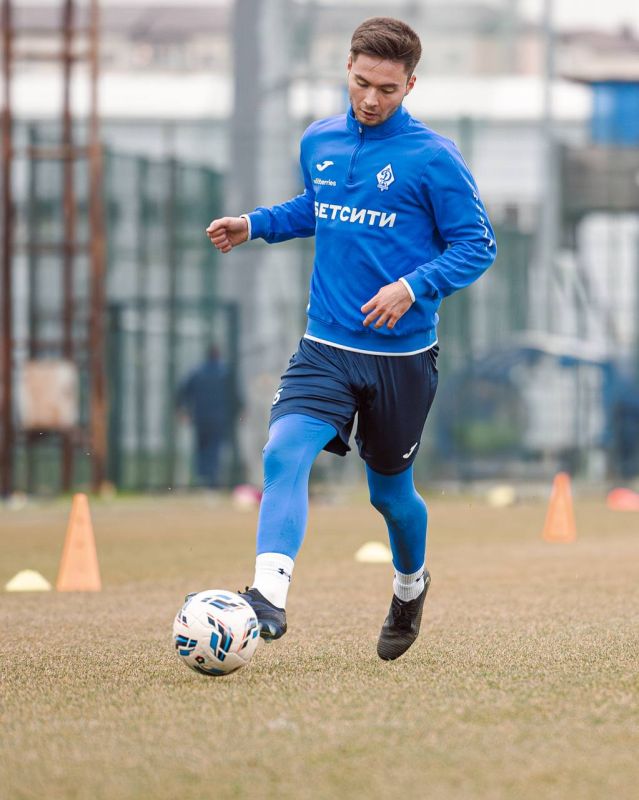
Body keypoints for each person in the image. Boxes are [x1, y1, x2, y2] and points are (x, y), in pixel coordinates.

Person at [206, 17, 496, 660]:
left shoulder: (434, 158)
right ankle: (267, 596)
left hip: (401, 359)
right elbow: (321, 205)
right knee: (284, 451)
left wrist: (413, 287)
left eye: (387, 89)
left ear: (410, 85)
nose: (370, 99)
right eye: (362, 83)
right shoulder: (320, 139)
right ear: (348, 68)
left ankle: (410, 587)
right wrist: (255, 223)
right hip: (326, 347)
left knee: (389, 495)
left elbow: (478, 245)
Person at [176, 346, 232, 489]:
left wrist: (181, 409)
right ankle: (213, 480)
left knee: (201, 448)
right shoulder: (224, 373)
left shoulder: (197, 372)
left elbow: (182, 391)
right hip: (219, 418)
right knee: (215, 448)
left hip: (200, 418)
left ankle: (202, 478)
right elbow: (235, 394)